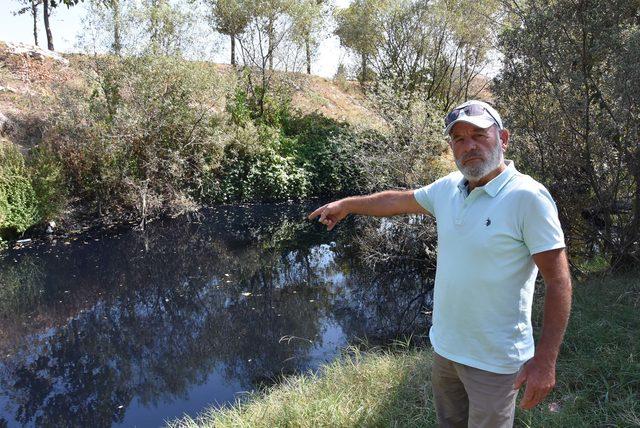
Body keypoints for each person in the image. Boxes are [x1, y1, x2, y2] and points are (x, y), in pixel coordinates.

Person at [307, 100, 572, 427]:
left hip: (495, 361)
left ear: (502, 139)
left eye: (478, 134)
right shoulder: (448, 188)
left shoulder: (528, 197)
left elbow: (558, 281)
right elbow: (397, 200)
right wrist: (346, 205)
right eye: (459, 139)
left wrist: (545, 362)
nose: (469, 145)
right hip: (446, 350)